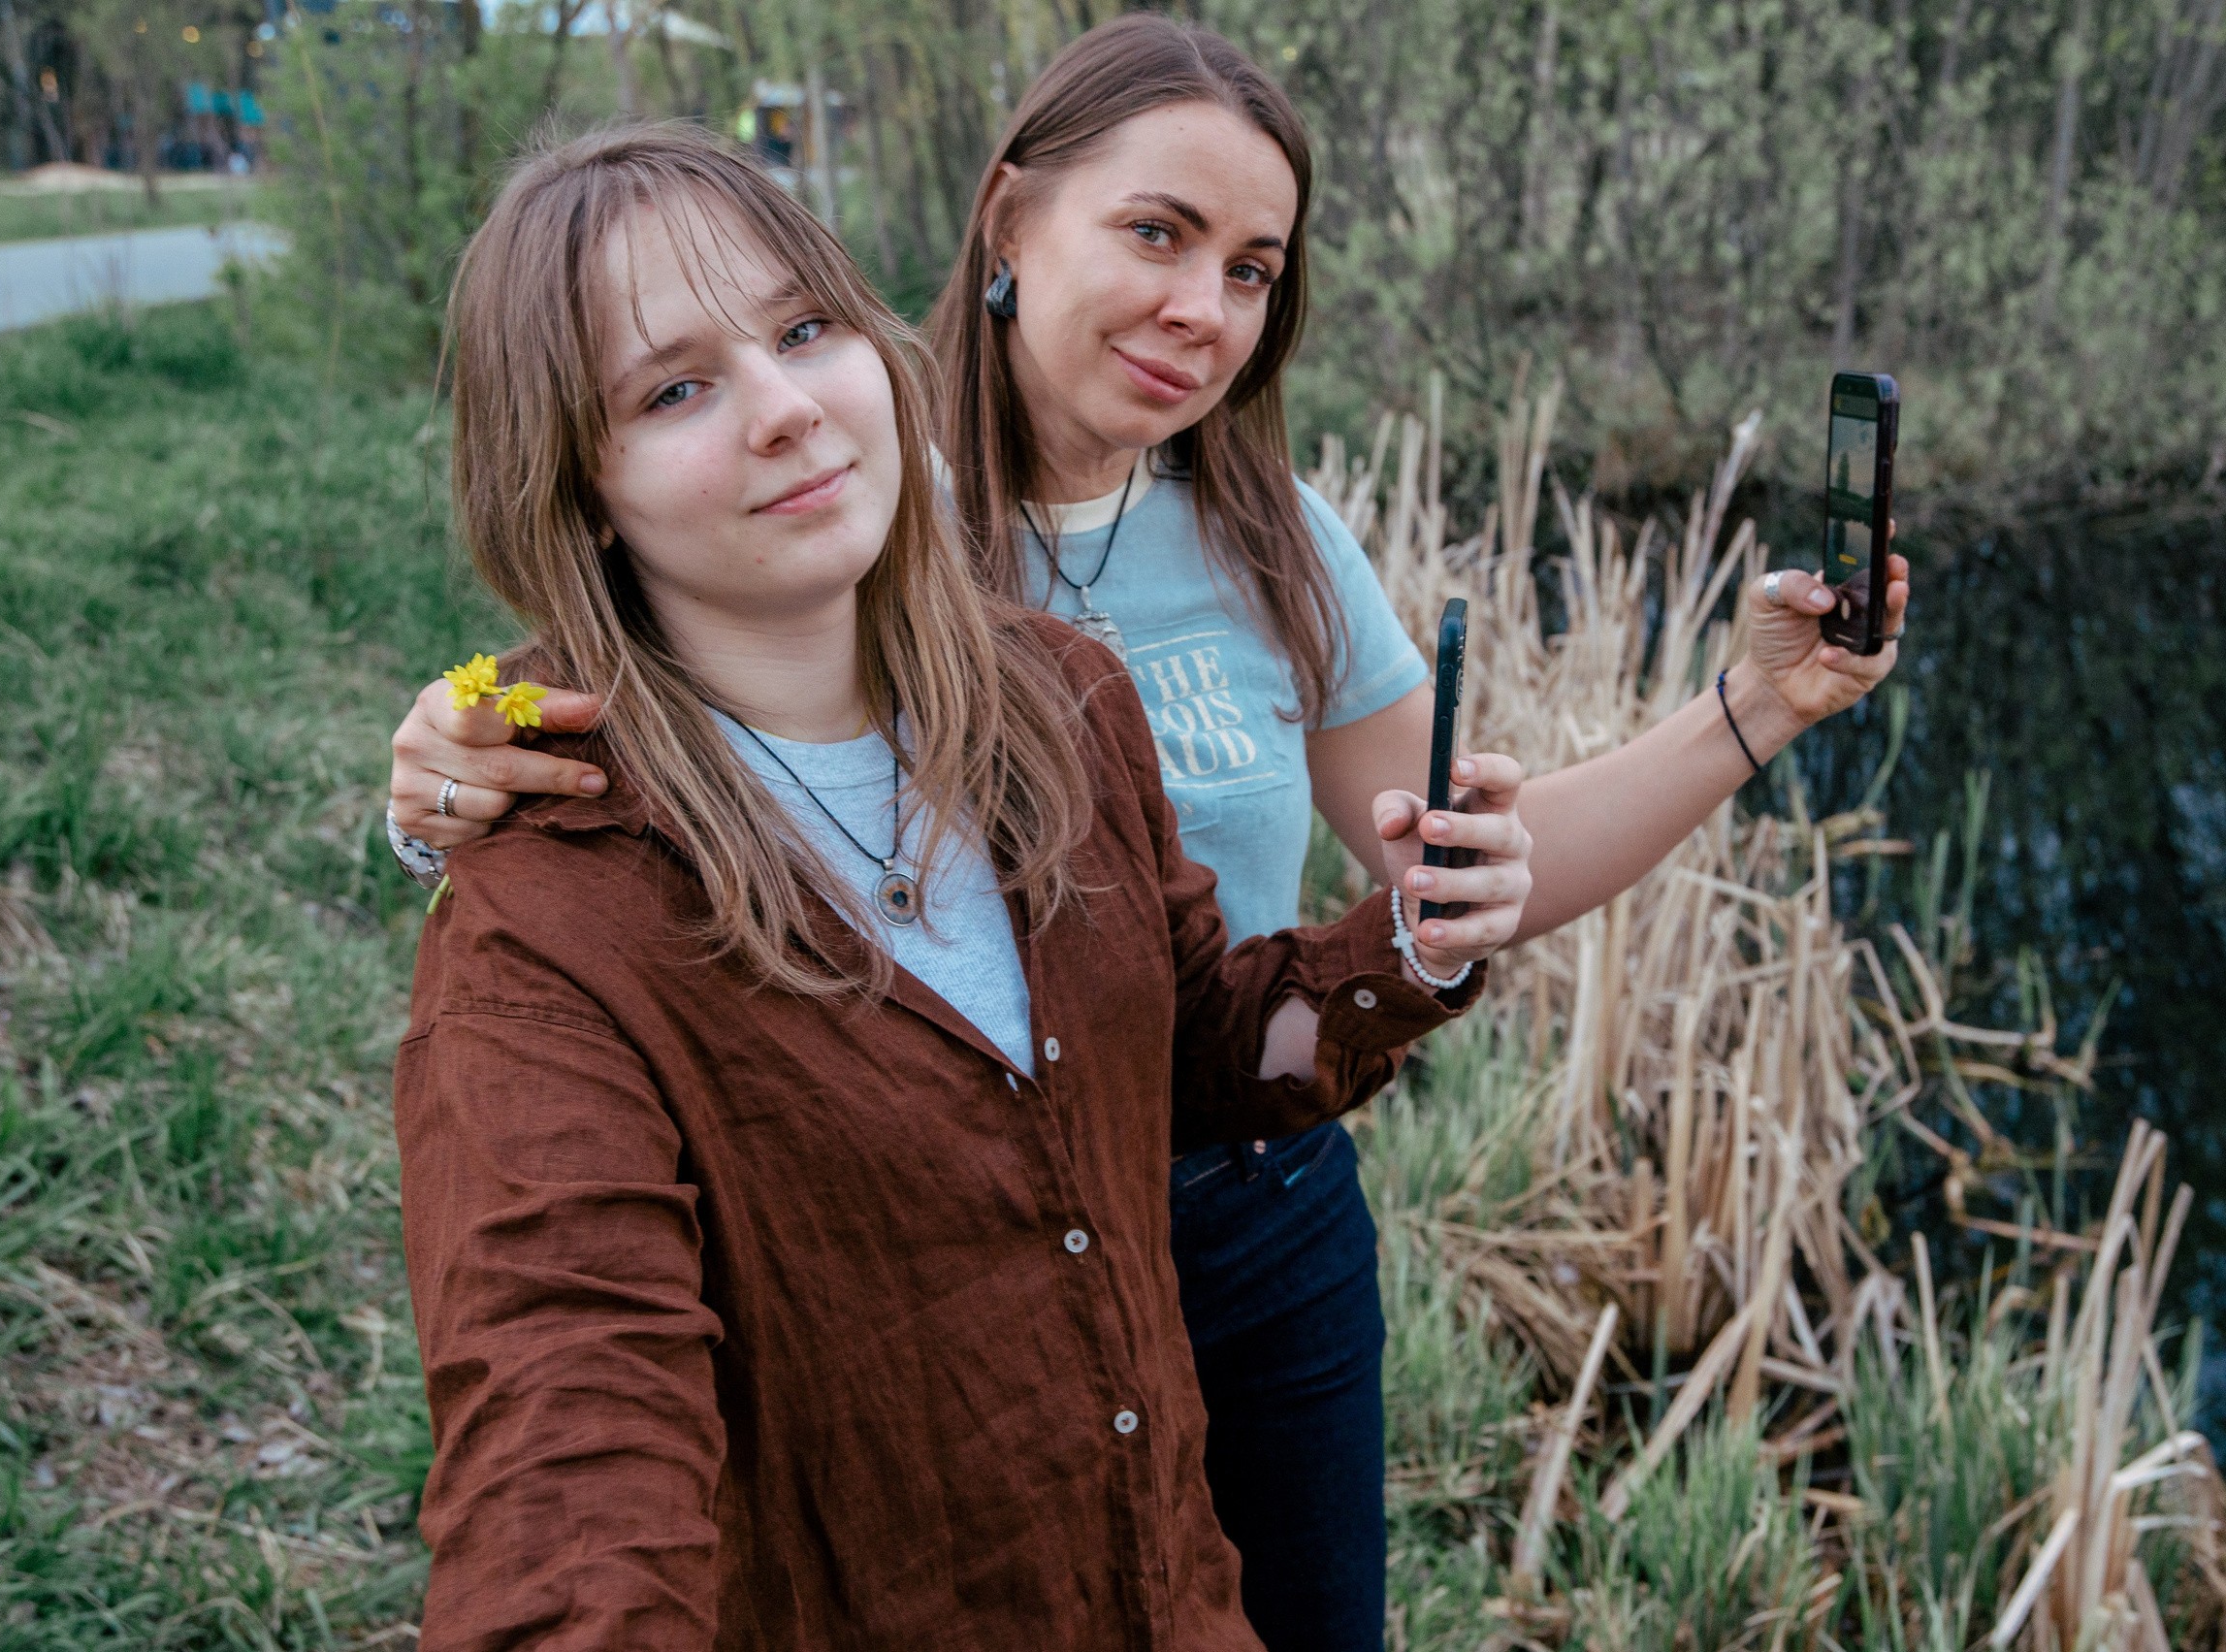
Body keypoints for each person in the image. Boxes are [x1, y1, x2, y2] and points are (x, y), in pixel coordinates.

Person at [382, 18, 1911, 1649]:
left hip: (1240, 1182)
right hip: (915, 1256)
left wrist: (1747, 716)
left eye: (1254, 270)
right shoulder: (858, 504)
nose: (1205, 309)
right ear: (1008, 222)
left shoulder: (1247, 559)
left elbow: (1388, 915)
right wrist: (445, 776)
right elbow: (570, 1443)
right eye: (1157, 233)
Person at [399, 123, 1534, 1649]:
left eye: (805, 331)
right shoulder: (552, 923)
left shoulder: (1061, 700)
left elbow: (1191, 1045)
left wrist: (1409, 942)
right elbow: (562, 1447)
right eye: (676, 388)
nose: (789, 411)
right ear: (579, 485)